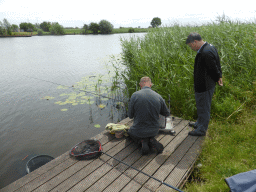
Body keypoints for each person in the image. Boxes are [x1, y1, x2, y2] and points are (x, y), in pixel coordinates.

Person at [186, 32, 223, 136]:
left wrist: (218, 77)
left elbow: (213, 67)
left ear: (195, 42)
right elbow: (217, 63)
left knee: (204, 107)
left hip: (205, 85)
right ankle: (199, 123)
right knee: (201, 106)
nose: (191, 48)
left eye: (191, 45)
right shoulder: (209, 47)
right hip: (206, 84)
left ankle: (201, 130)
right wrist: (219, 76)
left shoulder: (205, 52)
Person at [128, 76, 170, 155]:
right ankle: (151, 140)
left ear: (140, 85)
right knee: (148, 132)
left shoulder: (134, 95)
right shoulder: (159, 96)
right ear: (150, 85)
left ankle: (142, 141)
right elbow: (167, 113)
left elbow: (130, 116)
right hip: (154, 131)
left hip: (138, 131)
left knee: (129, 132)